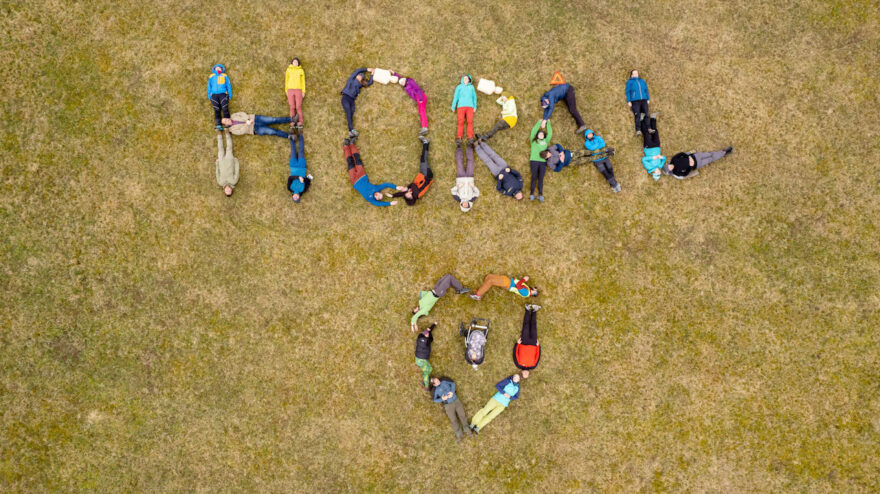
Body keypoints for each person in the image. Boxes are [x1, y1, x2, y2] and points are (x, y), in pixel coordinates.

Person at [342, 138, 403, 206]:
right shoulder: (377, 188)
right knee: (357, 160)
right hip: (362, 175)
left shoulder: (370, 199)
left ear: (377, 199)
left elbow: (379, 204)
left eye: (379, 197)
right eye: (380, 194)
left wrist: (390, 203)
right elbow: (386, 184)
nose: (378, 195)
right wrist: (396, 187)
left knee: (350, 163)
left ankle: (346, 146)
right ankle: (352, 144)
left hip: (354, 180)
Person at [392, 136, 433, 206]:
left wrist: (393, 195)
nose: (407, 194)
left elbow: (402, 193)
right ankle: (426, 142)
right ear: (412, 197)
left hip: (422, 175)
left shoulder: (410, 191)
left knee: (423, 159)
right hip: (427, 176)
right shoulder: (417, 194)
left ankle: (427, 143)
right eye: (408, 196)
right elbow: (413, 184)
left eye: (406, 195)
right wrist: (407, 188)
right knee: (423, 159)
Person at [430, 377, 471, 441]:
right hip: (448, 406)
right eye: (436, 382)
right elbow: (434, 400)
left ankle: (468, 430)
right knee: (453, 420)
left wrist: (452, 391)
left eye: (437, 380)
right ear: (434, 385)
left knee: (462, 415)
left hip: (456, 400)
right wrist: (442, 399)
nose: (438, 381)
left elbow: (452, 383)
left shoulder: (444, 380)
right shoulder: (434, 390)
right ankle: (459, 435)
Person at [391, 70, 428, 135]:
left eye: (402, 82)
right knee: (421, 112)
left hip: (420, 96)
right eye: (401, 83)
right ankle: (424, 127)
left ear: (404, 79)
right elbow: (399, 78)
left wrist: (420, 98)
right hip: (418, 98)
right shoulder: (405, 84)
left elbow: (418, 89)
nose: (401, 83)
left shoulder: (410, 81)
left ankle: (425, 128)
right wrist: (393, 73)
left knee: (422, 111)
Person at [341, 67, 374, 138]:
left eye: (361, 76)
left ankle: (351, 132)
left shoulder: (360, 85)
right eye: (359, 75)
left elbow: (370, 82)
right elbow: (358, 70)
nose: (359, 76)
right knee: (349, 113)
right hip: (346, 98)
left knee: (351, 113)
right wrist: (367, 69)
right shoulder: (352, 79)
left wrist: (372, 74)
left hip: (352, 100)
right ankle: (351, 130)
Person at [665, 146, 734, 179]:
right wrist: (691, 166)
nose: (670, 167)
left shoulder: (673, 159)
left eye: (668, 166)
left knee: (709, 154)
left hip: (695, 156)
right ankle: (724, 153)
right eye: (669, 168)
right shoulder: (676, 173)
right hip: (698, 164)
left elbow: (681, 154)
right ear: (670, 171)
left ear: (668, 164)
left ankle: (721, 152)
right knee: (711, 159)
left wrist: (688, 156)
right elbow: (685, 174)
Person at [451, 140, 480, 212]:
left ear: (461, 204)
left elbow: (453, 191)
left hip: (460, 178)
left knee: (459, 162)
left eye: (463, 205)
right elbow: (477, 193)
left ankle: (459, 147)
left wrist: (458, 186)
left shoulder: (458, 198)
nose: (465, 205)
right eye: (466, 206)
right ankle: (469, 147)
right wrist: (473, 186)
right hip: (470, 177)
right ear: (468, 204)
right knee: (470, 162)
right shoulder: (472, 198)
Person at [529, 120, 553, 202]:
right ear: (537, 135)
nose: (541, 135)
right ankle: (531, 193)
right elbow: (533, 131)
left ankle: (540, 194)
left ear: (544, 136)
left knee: (541, 178)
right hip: (534, 161)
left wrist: (548, 124)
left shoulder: (545, 141)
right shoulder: (533, 141)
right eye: (539, 134)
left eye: (542, 134)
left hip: (543, 162)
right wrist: (539, 123)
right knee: (534, 177)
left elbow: (550, 134)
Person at [513, 305, 542, 370]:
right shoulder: (533, 366)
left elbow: (515, 354)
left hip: (524, 343)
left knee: (526, 326)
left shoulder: (518, 364)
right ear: (528, 374)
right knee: (533, 327)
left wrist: (517, 344)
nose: (525, 373)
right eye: (527, 375)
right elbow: (537, 356)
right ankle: (534, 310)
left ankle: (527, 309)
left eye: (524, 374)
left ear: (522, 373)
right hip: (533, 345)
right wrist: (538, 347)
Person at [222, 112, 292, 139]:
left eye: (225, 119)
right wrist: (247, 124)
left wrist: (247, 119)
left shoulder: (233, 115)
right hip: (255, 129)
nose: (227, 120)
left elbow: (242, 113)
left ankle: (291, 119)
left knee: (273, 120)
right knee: (272, 131)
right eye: (225, 121)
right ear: (226, 125)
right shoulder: (233, 131)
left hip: (255, 118)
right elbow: (242, 131)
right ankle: (289, 136)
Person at [450, 74, 477, 143]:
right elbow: (456, 97)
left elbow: (474, 97)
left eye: (466, 78)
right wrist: (453, 106)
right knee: (460, 121)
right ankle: (459, 137)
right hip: (461, 106)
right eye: (464, 78)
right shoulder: (459, 87)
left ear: (469, 80)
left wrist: (474, 106)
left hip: (470, 107)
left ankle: (470, 137)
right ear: (462, 79)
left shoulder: (471, 87)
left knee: (470, 121)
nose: (465, 79)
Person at [286, 133, 313, 203]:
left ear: (292, 196)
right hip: (302, 167)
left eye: (294, 198)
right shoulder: (303, 190)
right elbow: (308, 182)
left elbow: (290, 178)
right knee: (301, 151)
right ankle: (300, 134)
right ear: (299, 197)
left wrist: (298, 177)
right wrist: (305, 179)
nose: (295, 197)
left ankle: (292, 135)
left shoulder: (289, 188)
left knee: (293, 151)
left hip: (293, 166)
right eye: (297, 198)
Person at [470, 274, 538, 301]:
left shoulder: (526, 293)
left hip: (508, 284)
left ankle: (478, 295)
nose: (534, 288)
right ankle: (481, 290)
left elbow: (518, 286)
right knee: (489, 277)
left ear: (534, 293)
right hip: (508, 281)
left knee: (490, 281)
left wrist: (524, 279)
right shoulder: (528, 290)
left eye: (535, 289)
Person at [207, 64, 232, 130]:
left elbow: (228, 85)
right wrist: (209, 94)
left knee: (225, 108)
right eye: (216, 68)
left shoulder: (224, 76)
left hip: (223, 94)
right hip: (214, 95)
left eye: (219, 68)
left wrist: (230, 93)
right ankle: (218, 124)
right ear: (214, 69)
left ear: (222, 69)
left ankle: (227, 123)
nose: (218, 69)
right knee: (216, 109)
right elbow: (209, 86)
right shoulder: (211, 76)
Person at [640, 114, 665, 180]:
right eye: (659, 173)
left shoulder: (649, 167)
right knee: (655, 132)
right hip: (657, 146)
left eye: (658, 173)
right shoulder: (660, 166)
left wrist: (652, 157)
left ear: (654, 173)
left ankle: (641, 120)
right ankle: (653, 118)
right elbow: (664, 158)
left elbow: (643, 159)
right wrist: (661, 157)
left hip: (649, 148)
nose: (659, 172)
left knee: (646, 134)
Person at [625, 69, 650, 136]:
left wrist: (648, 98)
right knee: (637, 115)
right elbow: (628, 92)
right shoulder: (629, 82)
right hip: (635, 101)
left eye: (637, 73)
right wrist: (629, 101)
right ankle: (638, 130)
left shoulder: (642, 81)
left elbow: (646, 90)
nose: (636, 74)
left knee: (646, 114)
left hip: (644, 100)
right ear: (632, 75)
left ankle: (648, 128)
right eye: (634, 73)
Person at [215, 130, 239, 197]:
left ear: (224, 191)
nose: (227, 190)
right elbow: (237, 171)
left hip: (221, 162)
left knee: (220, 148)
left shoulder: (220, 183)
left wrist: (217, 164)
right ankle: (227, 133)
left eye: (226, 191)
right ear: (231, 190)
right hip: (229, 160)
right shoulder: (234, 182)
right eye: (229, 191)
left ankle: (219, 134)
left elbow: (217, 173)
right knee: (229, 148)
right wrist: (236, 161)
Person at [284, 58, 306, 131]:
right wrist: (286, 90)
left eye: (296, 62)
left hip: (298, 90)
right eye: (294, 62)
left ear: (298, 63)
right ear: (292, 63)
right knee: (292, 106)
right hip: (290, 90)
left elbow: (303, 82)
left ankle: (300, 122)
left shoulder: (301, 71)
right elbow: (286, 80)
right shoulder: (288, 70)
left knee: (298, 106)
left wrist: (303, 91)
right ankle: (292, 123)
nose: (295, 63)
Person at [414, 323, 436, 389]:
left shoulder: (419, 337)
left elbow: (427, 332)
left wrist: (433, 325)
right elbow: (431, 339)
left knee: (429, 369)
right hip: (422, 360)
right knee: (427, 371)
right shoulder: (427, 341)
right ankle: (426, 386)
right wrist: (431, 328)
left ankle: (424, 380)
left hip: (418, 359)